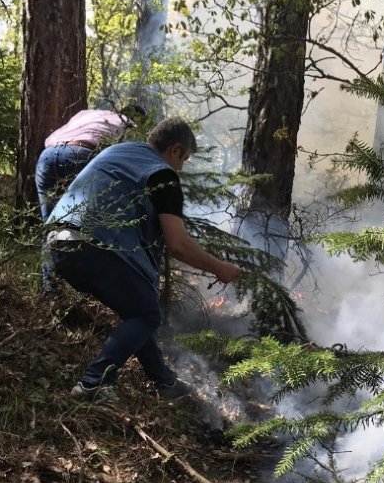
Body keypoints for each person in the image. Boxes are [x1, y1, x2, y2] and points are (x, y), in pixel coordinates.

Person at [45, 117, 243, 402]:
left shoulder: (120, 151)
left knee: (137, 311)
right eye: (184, 158)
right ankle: (94, 382)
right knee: (147, 314)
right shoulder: (162, 175)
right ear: (174, 149)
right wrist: (220, 268)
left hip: (59, 242)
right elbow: (178, 244)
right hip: (95, 245)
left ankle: (164, 382)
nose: (181, 166)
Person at [35, 108, 136, 293]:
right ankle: (86, 287)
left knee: (51, 226)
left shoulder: (85, 113)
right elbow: (125, 159)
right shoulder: (127, 123)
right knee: (82, 225)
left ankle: (50, 290)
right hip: (80, 155)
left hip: (48, 156)